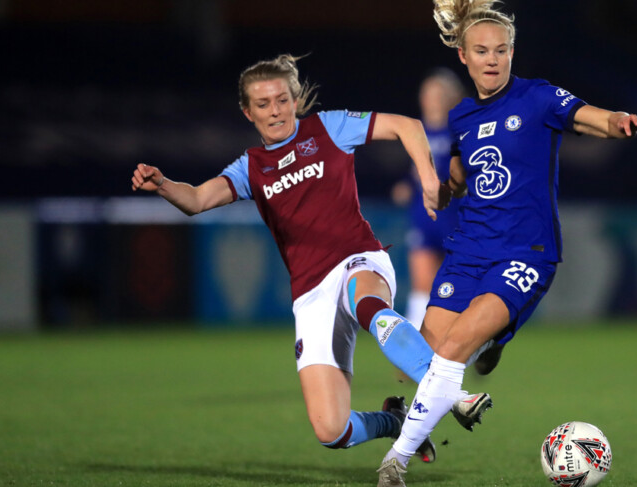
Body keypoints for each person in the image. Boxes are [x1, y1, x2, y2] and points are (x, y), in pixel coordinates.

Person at [130, 54, 483, 465]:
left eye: (282, 100)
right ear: (247, 112)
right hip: (311, 293)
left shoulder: (329, 128)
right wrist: (163, 184)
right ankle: (393, 421)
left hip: (359, 259)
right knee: (332, 430)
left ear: (295, 101)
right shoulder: (252, 168)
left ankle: (451, 393)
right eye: (263, 104)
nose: (274, 110)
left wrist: (427, 180)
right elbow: (196, 200)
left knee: (367, 305)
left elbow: (407, 126)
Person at [377, 1, 637, 485]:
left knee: (453, 350)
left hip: (526, 253)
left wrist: (618, 121)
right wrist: (443, 188)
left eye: (501, 50)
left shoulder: (537, 97)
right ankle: (480, 356)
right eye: (482, 51)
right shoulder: (461, 118)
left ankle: (394, 461)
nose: (492, 59)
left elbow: (588, 117)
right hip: (468, 252)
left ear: (511, 52)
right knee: (427, 352)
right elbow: (459, 175)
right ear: (464, 56)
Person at [392, 68, 466, 331]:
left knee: (455, 286)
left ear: (451, 97)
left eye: (437, 95)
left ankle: (461, 341)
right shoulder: (416, 131)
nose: (431, 100)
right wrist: (405, 185)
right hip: (423, 217)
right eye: (427, 94)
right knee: (422, 285)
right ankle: (413, 346)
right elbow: (414, 171)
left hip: (455, 218)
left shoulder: (459, 131)